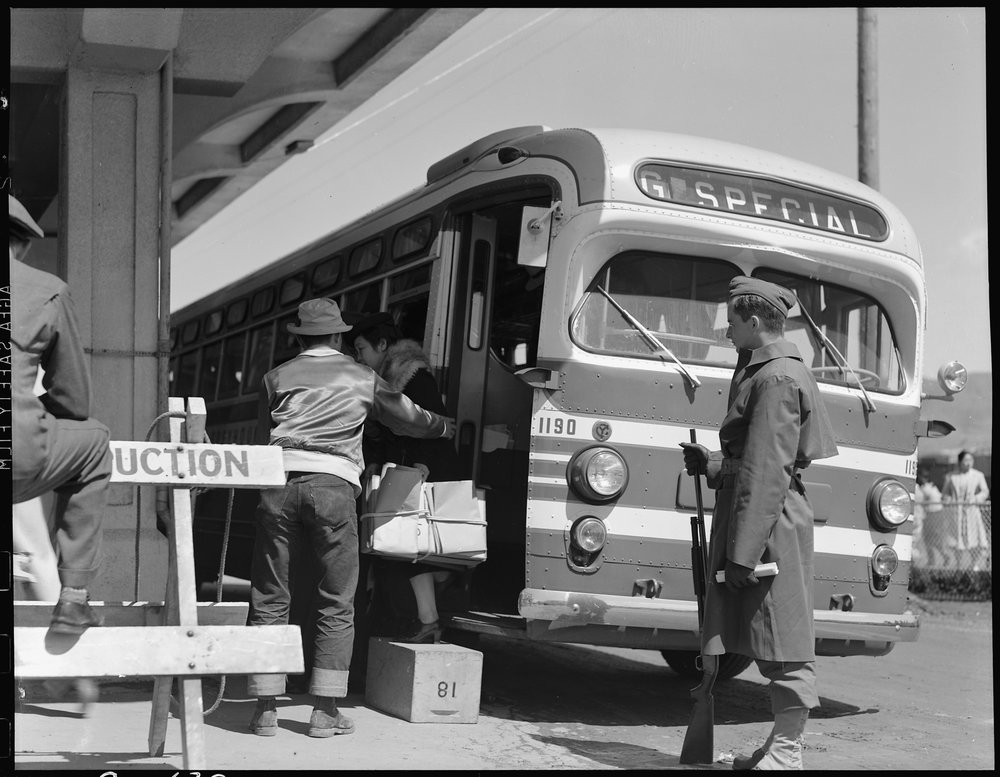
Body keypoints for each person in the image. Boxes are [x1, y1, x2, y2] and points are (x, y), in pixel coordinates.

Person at [247, 297, 455, 739]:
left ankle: (265, 709)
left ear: (299, 337)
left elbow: (266, 432)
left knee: (270, 596)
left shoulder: (275, 377)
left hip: (278, 487)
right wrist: (442, 427)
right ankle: (324, 712)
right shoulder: (361, 376)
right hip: (334, 487)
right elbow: (408, 419)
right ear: (339, 336)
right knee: (336, 598)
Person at [680, 275, 838, 771]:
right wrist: (710, 465)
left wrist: (744, 552)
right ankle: (778, 748)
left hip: (767, 524)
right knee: (763, 633)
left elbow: (770, 471)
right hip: (757, 516)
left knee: (782, 641)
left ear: (753, 322)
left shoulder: (775, 378)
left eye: (731, 323)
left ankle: (788, 753)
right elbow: (756, 458)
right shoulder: (763, 369)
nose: (726, 332)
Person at [10, 193, 113, 636]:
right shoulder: (46, 289)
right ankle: (73, 598)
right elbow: (74, 400)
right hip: (16, 453)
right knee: (95, 443)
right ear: (22, 246)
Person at [346, 312, 463, 644]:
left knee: (408, 548)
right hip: (405, 471)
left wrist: (421, 466)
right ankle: (429, 616)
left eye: (361, 349)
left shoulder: (414, 376)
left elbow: (432, 427)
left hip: (424, 471)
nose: (358, 357)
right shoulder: (385, 378)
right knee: (407, 549)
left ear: (382, 345)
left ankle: (430, 618)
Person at [941, 451, 990, 571]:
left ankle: (975, 565)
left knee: (977, 540)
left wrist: (976, 499)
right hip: (956, 514)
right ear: (960, 462)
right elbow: (945, 494)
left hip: (972, 512)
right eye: (965, 460)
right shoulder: (951, 476)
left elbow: (985, 492)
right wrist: (949, 500)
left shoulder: (978, 475)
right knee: (957, 541)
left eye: (971, 460)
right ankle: (959, 565)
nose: (968, 463)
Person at [913, 469, 946, 569]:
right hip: (927, 516)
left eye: (925, 477)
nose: (923, 479)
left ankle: (945, 556)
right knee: (928, 541)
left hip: (934, 515)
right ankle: (932, 560)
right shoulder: (926, 487)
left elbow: (926, 497)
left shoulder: (928, 488)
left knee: (935, 540)